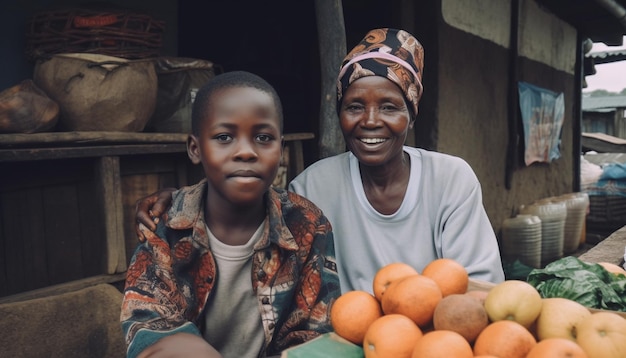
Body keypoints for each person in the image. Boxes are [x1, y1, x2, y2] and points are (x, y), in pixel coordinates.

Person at [135, 28, 505, 295]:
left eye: (390, 107)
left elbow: (481, 290)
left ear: (411, 114)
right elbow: (253, 211)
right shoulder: (313, 186)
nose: (371, 121)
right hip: (340, 341)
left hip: (434, 343)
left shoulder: (450, 179)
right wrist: (184, 200)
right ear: (340, 114)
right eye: (355, 106)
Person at [121, 71, 341, 358]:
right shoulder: (165, 225)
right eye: (224, 137)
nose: (246, 152)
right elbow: (150, 328)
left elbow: (315, 335)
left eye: (263, 137)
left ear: (281, 149)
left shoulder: (308, 225)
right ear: (195, 149)